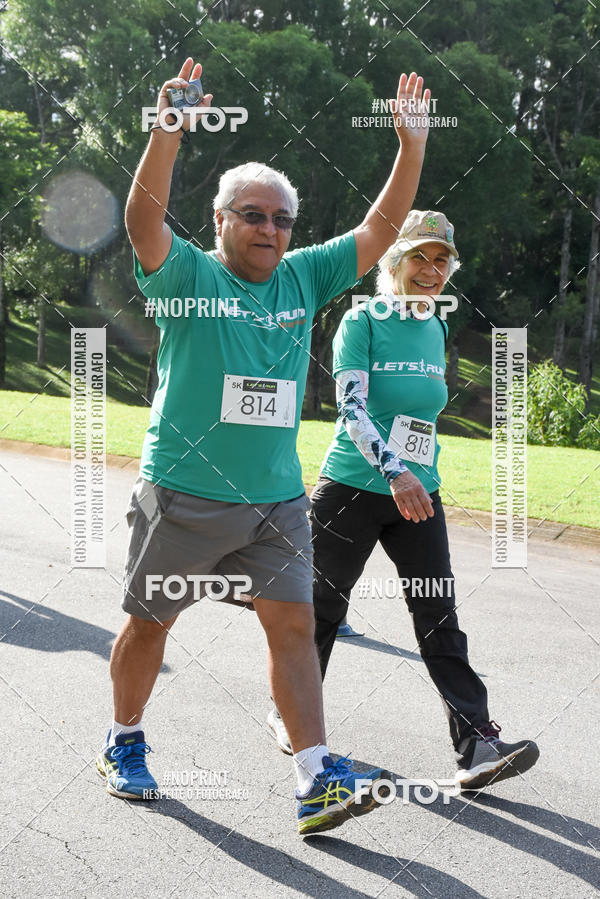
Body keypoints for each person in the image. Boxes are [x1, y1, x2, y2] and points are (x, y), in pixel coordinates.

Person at [95, 57, 432, 835]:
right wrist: (168, 131)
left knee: (290, 626)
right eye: (254, 214)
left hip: (276, 501)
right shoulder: (185, 275)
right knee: (151, 624)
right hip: (184, 491)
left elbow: (380, 229)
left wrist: (410, 147)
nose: (271, 229)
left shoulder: (303, 279)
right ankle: (124, 738)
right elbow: (144, 218)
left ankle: (315, 775)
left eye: (281, 218)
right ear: (221, 222)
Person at [269, 210, 540, 791]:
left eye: (441, 260)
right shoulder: (362, 320)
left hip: (421, 494)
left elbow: (420, 417)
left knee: (438, 614)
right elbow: (351, 408)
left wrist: (419, 477)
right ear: (393, 263)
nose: (431, 270)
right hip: (353, 488)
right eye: (419, 257)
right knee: (319, 611)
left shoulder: (436, 328)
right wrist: (396, 472)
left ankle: (477, 747)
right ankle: (290, 715)